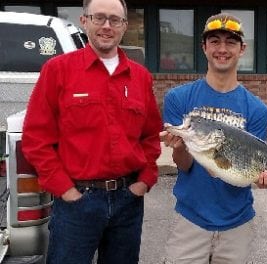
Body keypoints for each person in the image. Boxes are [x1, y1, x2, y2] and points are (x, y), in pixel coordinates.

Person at [21, 0, 162, 263]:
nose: (107, 26)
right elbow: (36, 138)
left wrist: (144, 182)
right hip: (77, 202)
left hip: (128, 200)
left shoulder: (140, 77)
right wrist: (65, 190)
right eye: (99, 18)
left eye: (114, 20)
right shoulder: (58, 70)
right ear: (84, 20)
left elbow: (151, 136)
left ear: (124, 26)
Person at [160, 13, 267, 264]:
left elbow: (249, 172)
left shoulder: (257, 110)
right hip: (190, 220)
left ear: (242, 49)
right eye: (214, 41)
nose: (222, 49)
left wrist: (264, 179)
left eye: (231, 42)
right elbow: (184, 165)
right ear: (204, 47)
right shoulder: (178, 99)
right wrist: (180, 148)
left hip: (237, 224)